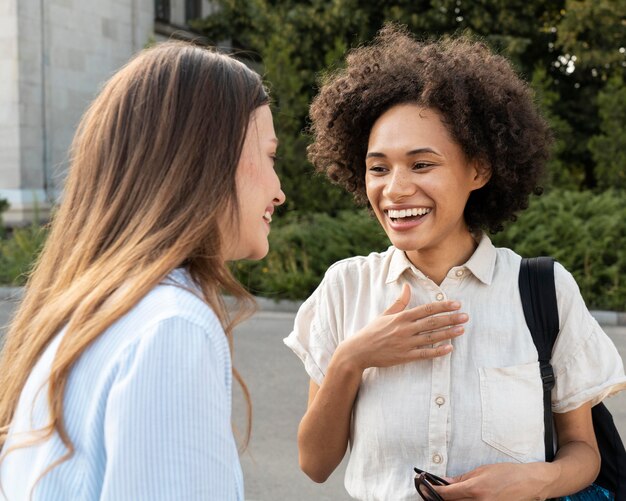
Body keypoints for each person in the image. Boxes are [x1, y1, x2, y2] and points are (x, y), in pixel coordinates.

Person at [284, 24, 626, 500]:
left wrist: (537, 478)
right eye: (378, 167)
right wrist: (352, 359)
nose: (396, 188)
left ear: (479, 170)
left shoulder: (543, 290)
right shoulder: (346, 288)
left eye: (422, 164)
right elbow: (314, 464)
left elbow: (583, 452)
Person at [0, 41, 285, 500]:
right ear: (205, 157)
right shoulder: (171, 327)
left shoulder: (89, 312)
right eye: (270, 156)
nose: (279, 190)